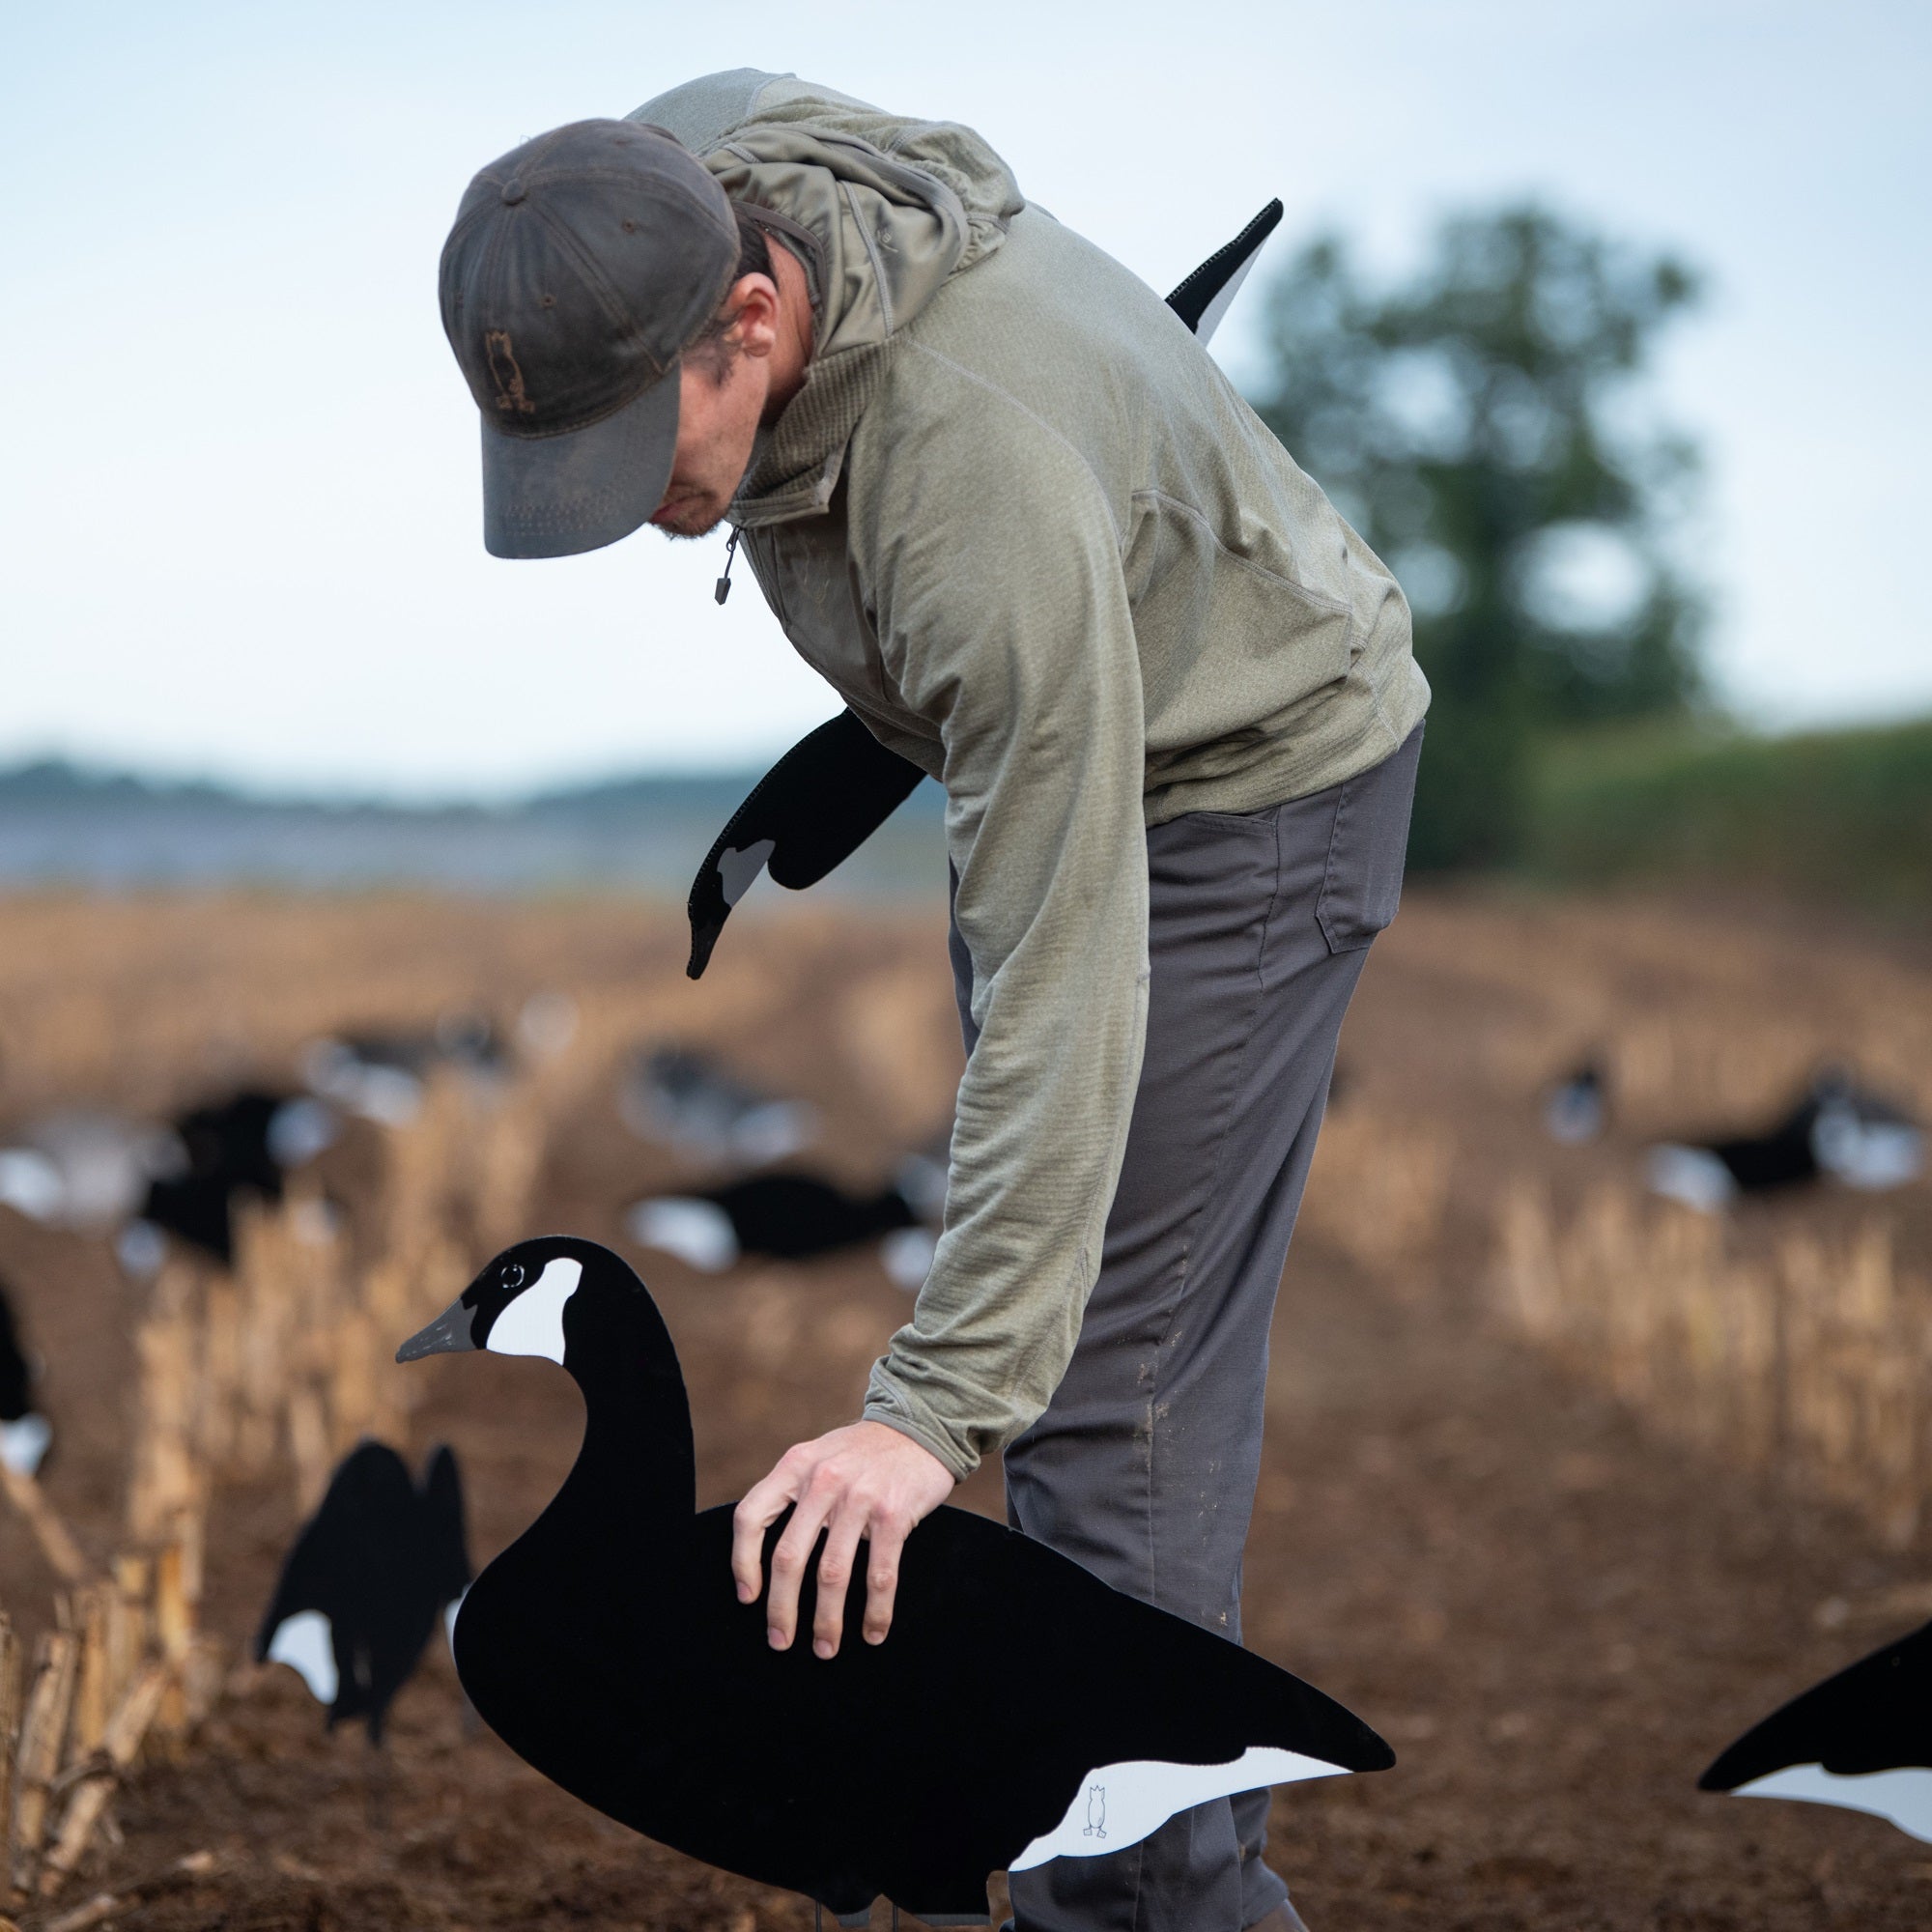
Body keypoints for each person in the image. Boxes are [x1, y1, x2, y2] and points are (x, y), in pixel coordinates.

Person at [439, 70, 1427, 1932]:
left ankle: (1155, 1899)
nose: (629, 510)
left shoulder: (974, 486)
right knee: (1052, 1337)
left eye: (636, 449)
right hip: (1059, 690)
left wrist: (929, 1408)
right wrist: (895, 719)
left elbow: (1070, 967)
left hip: (1234, 800)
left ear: (753, 317)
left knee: (1100, 1424)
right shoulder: (685, 180)